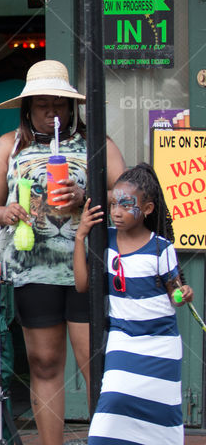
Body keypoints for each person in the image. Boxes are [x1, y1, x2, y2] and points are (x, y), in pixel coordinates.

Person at [0, 60, 126, 445]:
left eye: (59, 103)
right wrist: (5, 212)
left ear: (72, 107)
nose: (52, 111)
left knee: (96, 364)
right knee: (43, 363)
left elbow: (127, 197)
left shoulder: (97, 143)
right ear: (27, 108)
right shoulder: (9, 146)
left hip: (86, 268)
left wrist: (87, 197)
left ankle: (105, 439)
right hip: (32, 269)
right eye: (42, 104)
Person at [74, 163, 191, 444]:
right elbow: (82, 285)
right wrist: (80, 236)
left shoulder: (161, 248)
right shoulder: (105, 239)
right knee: (110, 410)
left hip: (161, 346)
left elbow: (174, 297)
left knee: (160, 420)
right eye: (115, 204)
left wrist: (183, 294)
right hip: (123, 341)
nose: (116, 212)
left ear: (148, 209)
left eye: (127, 205)